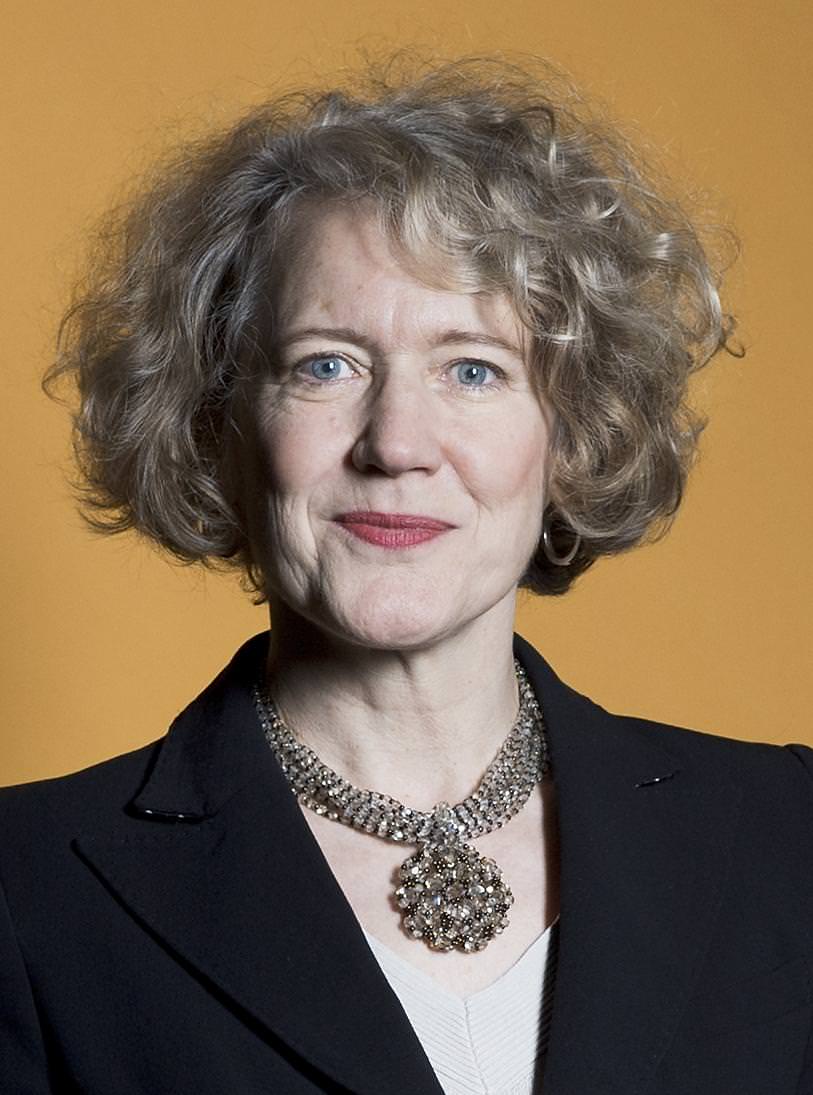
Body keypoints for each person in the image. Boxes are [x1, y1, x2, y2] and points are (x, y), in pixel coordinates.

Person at [1, 55, 811, 1095]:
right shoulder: (27, 891)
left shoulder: (789, 833)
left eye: (472, 369)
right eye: (325, 365)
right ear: (217, 424)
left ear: (573, 434)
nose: (395, 443)